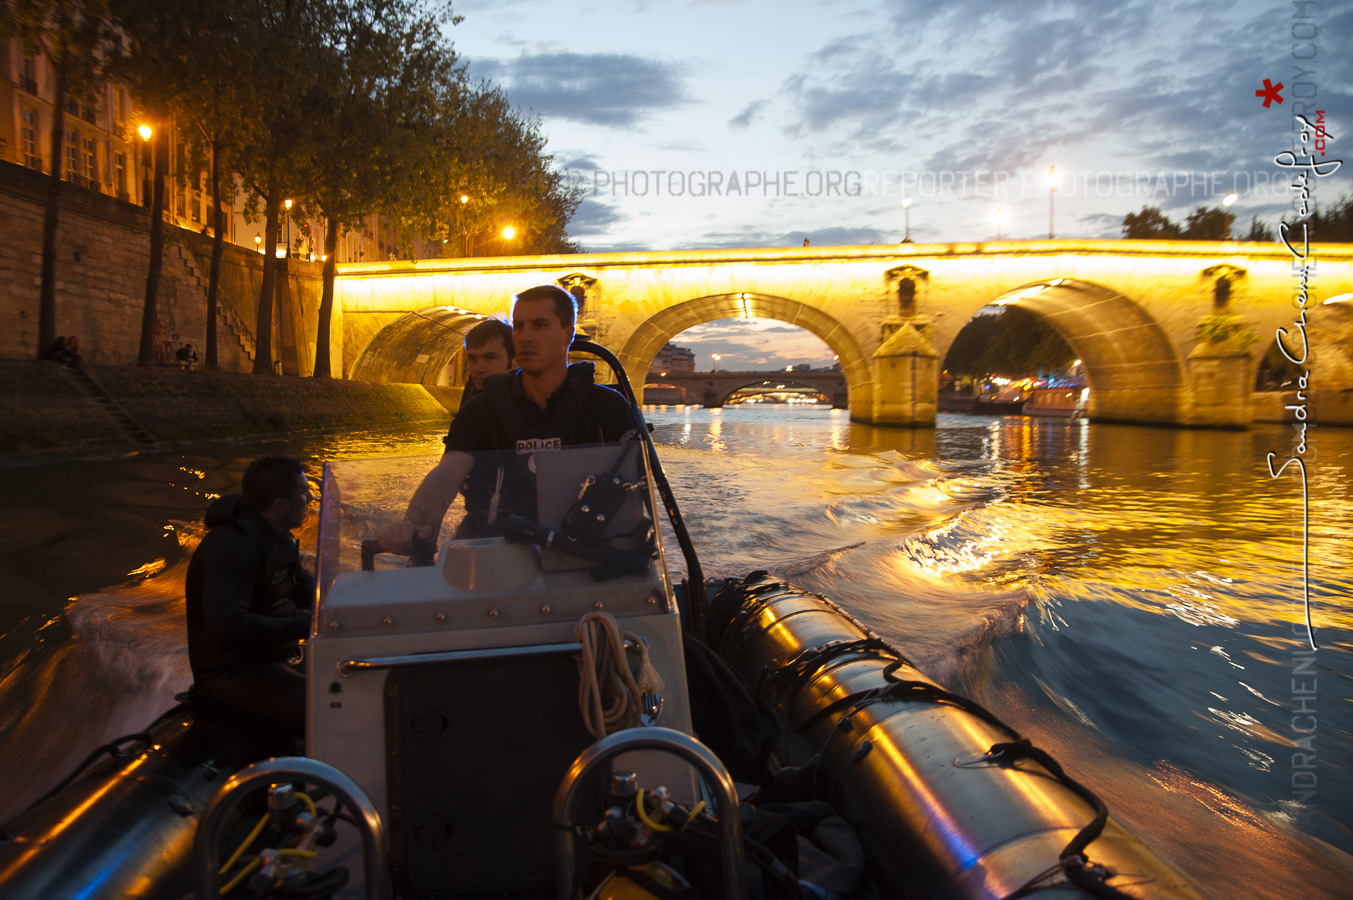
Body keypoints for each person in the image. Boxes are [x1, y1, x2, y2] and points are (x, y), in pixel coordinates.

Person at [380, 284, 638, 554]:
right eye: (519, 326)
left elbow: (633, 492)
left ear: (568, 334)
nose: (525, 336)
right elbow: (446, 474)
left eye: (539, 325)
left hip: (584, 555)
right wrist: (415, 525)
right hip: (497, 555)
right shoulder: (481, 410)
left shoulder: (607, 407)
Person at [185, 455, 315, 736]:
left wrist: (346, 603)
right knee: (325, 705)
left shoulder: (277, 537)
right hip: (229, 673)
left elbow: (308, 591)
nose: (311, 497)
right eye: (304, 492)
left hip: (273, 657)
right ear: (280, 505)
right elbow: (230, 629)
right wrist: (305, 622)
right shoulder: (233, 548)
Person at [459, 317, 514, 409]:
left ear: (515, 361)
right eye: (472, 358)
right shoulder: (470, 396)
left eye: (490, 357)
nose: (478, 369)